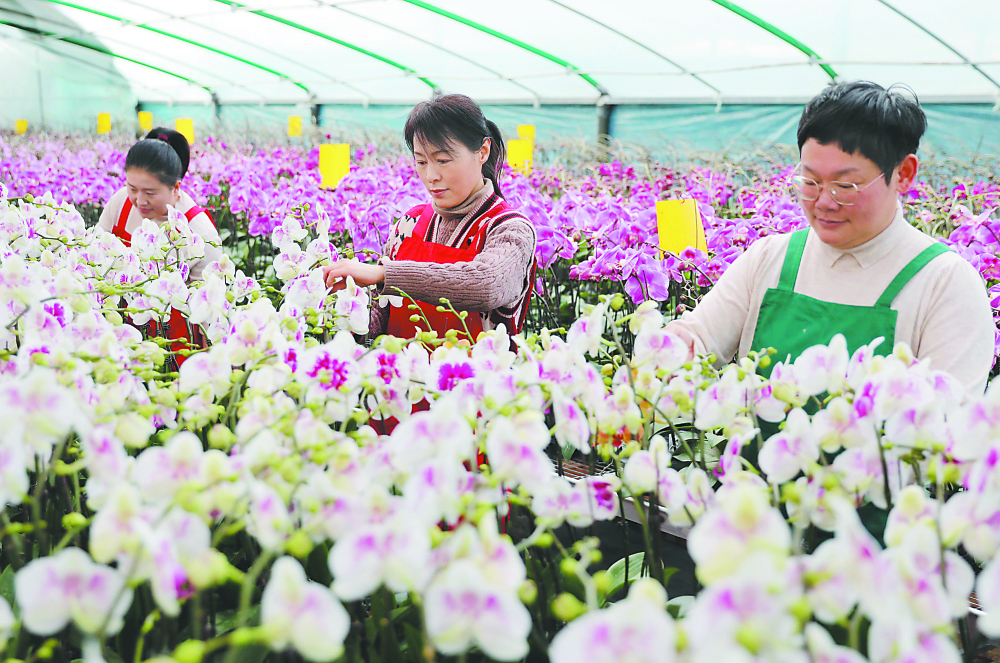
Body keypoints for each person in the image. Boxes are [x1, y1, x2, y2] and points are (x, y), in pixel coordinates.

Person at [667, 81, 994, 397]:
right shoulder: (770, 259)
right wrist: (664, 352)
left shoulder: (945, 284)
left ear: (904, 174)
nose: (824, 201)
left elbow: (946, 428)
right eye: (810, 181)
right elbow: (699, 339)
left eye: (846, 186)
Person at [322, 94, 537, 346]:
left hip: (473, 382)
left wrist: (384, 274)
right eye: (421, 161)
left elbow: (486, 284)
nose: (431, 175)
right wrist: (343, 313)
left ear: (483, 152)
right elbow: (384, 312)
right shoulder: (410, 223)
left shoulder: (509, 229)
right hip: (401, 378)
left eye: (443, 161)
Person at [97, 127, 224, 365]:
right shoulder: (120, 203)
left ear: (176, 189)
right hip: (120, 324)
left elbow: (209, 312)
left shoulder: (201, 232)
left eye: (150, 192)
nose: (139, 200)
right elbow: (93, 253)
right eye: (132, 188)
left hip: (177, 344)